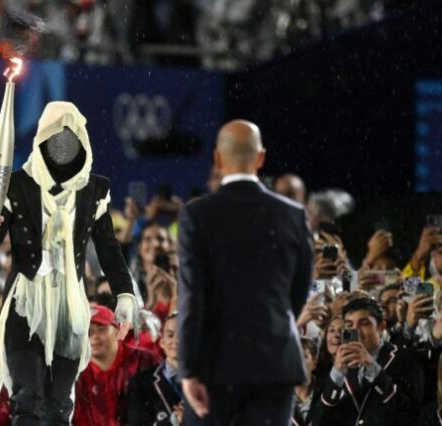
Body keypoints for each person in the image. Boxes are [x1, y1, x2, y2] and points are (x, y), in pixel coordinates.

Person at [0, 101, 138, 424]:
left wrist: (125, 293)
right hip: (25, 303)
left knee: (58, 404)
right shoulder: (18, 184)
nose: (62, 147)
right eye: (55, 139)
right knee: (27, 399)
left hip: (70, 307)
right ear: (41, 141)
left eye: (70, 139)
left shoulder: (93, 190)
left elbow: (108, 248)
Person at [177, 119, 314, 425]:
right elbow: (298, 292)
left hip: (214, 367)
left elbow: (191, 298)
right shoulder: (292, 215)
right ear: (261, 157)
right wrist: (270, 324)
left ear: (217, 158)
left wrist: (188, 369)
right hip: (275, 365)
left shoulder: (197, 215)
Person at [313, 297, 424, 426]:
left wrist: (374, 369)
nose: (356, 330)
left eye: (364, 323)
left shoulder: (406, 358)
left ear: (381, 326)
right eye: (349, 325)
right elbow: (317, 421)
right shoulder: (338, 363)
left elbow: (411, 415)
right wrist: (336, 375)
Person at [73, 305, 158, 425]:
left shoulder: (143, 360)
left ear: (118, 330)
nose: (94, 337)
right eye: (88, 331)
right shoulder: (76, 373)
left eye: (101, 329)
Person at [127, 312, 184, 425]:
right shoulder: (140, 383)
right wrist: (174, 420)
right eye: (170, 335)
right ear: (162, 341)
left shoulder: (210, 379)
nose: (176, 341)